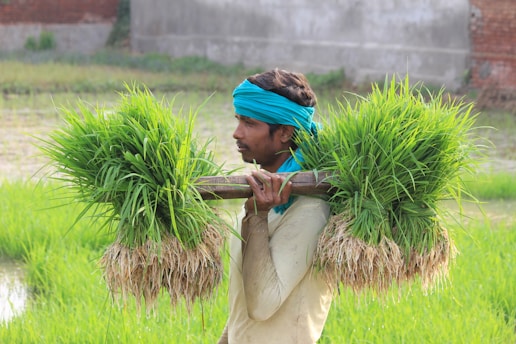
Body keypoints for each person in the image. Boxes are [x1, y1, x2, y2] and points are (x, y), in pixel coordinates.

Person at [218, 69, 333, 344]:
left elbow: (262, 305)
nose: (236, 133)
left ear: (283, 132)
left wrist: (257, 216)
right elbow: (242, 307)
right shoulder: (262, 198)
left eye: (248, 123)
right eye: (238, 120)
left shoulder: (310, 209)